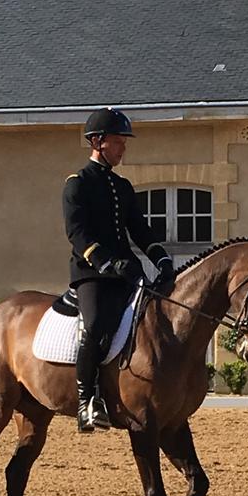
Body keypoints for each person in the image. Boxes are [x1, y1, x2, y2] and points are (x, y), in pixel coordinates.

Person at [63, 107, 176, 433]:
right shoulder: (77, 185)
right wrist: (106, 262)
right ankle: (86, 402)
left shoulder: (122, 186)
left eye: (123, 142)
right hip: (92, 274)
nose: (123, 148)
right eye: (117, 142)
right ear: (97, 142)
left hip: (128, 274)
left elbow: (139, 230)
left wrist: (162, 259)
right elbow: (77, 232)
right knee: (96, 325)